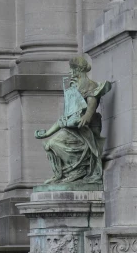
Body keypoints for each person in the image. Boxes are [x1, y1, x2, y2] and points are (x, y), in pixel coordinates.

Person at [35, 56, 112, 185]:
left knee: (53, 143)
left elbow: (91, 105)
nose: (70, 72)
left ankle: (79, 169)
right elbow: (64, 118)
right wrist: (47, 133)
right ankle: (61, 173)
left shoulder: (89, 85)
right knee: (48, 144)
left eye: (72, 69)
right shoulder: (73, 88)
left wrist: (87, 115)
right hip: (71, 129)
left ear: (79, 69)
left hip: (84, 131)